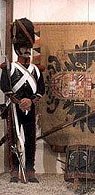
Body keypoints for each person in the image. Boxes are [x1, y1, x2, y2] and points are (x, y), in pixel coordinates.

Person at [0, 18, 45, 183]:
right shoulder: (9, 68)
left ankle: (30, 169)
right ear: (17, 49)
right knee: (14, 138)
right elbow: (5, 86)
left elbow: (41, 90)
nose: (27, 51)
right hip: (14, 107)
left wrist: (31, 101)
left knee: (30, 139)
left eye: (28, 48)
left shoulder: (36, 70)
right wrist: (19, 101)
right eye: (23, 48)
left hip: (30, 107)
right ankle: (14, 170)